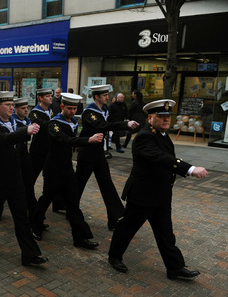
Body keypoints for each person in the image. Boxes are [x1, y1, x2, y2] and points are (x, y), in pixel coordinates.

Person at [108, 99, 208, 280]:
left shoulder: (162, 134)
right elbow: (159, 157)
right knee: (128, 227)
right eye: (161, 117)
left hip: (161, 193)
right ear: (150, 118)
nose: (166, 120)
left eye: (168, 117)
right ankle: (114, 256)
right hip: (143, 194)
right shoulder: (145, 136)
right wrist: (190, 169)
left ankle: (175, 268)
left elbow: (166, 158)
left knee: (165, 232)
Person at [0, 91, 48, 266]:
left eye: (11, 104)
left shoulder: (14, 121)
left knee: (21, 216)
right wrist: (25, 132)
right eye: (7, 105)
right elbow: (0, 139)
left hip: (14, 178)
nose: (10, 108)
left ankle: (30, 254)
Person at [32, 93, 103, 249]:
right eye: (69, 108)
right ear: (62, 107)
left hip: (67, 169)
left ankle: (81, 238)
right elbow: (65, 140)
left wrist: (78, 144)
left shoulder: (72, 122)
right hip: (53, 169)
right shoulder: (54, 124)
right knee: (46, 199)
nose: (72, 111)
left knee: (73, 203)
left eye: (74, 108)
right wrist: (88, 140)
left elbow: (71, 141)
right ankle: (35, 227)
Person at [76, 84, 139, 230]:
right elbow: (102, 126)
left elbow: (108, 124)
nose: (107, 97)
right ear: (97, 96)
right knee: (78, 183)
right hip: (87, 153)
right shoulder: (89, 112)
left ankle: (115, 218)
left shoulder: (104, 109)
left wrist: (125, 124)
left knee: (107, 184)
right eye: (104, 95)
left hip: (98, 152)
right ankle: (70, 209)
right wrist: (125, 124)